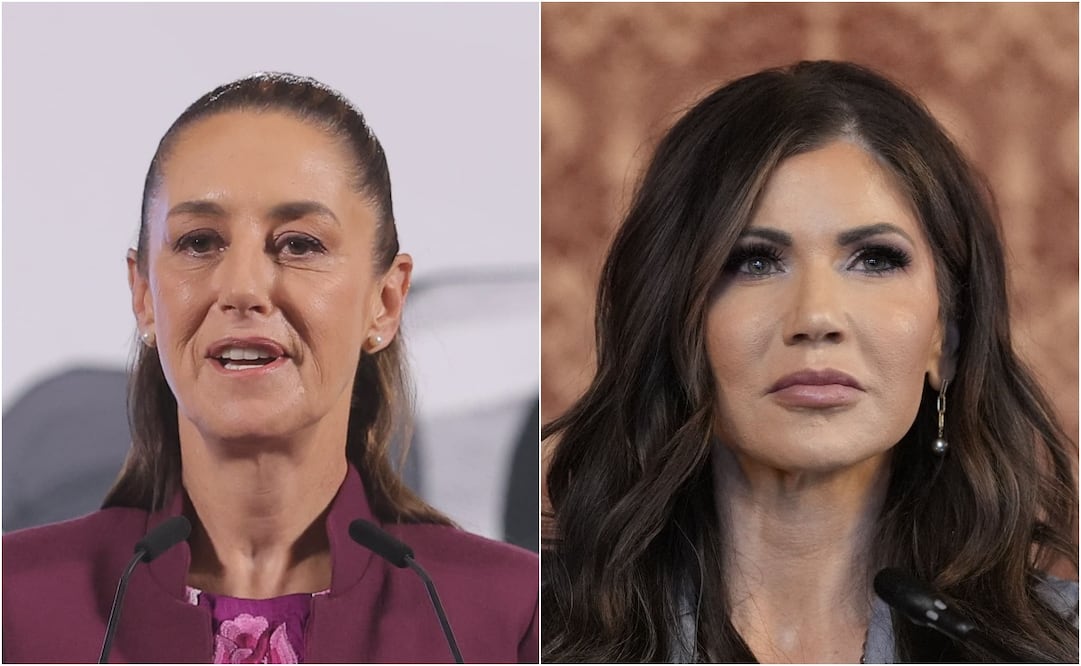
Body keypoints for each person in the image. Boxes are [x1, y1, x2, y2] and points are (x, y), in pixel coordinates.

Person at [541, 61, 1078, 663]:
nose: (816, 316)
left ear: (945, 339)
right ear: (675, 323)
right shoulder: (535, 630)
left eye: (875, 259)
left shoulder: (1055, 646)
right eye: (754, 261)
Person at [3, 73, 539, 663]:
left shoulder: (506, 611)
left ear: (384, 302)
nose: (242, 288)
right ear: (144, 296)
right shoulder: (18, 601)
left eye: (299, 245)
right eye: (200, 242)